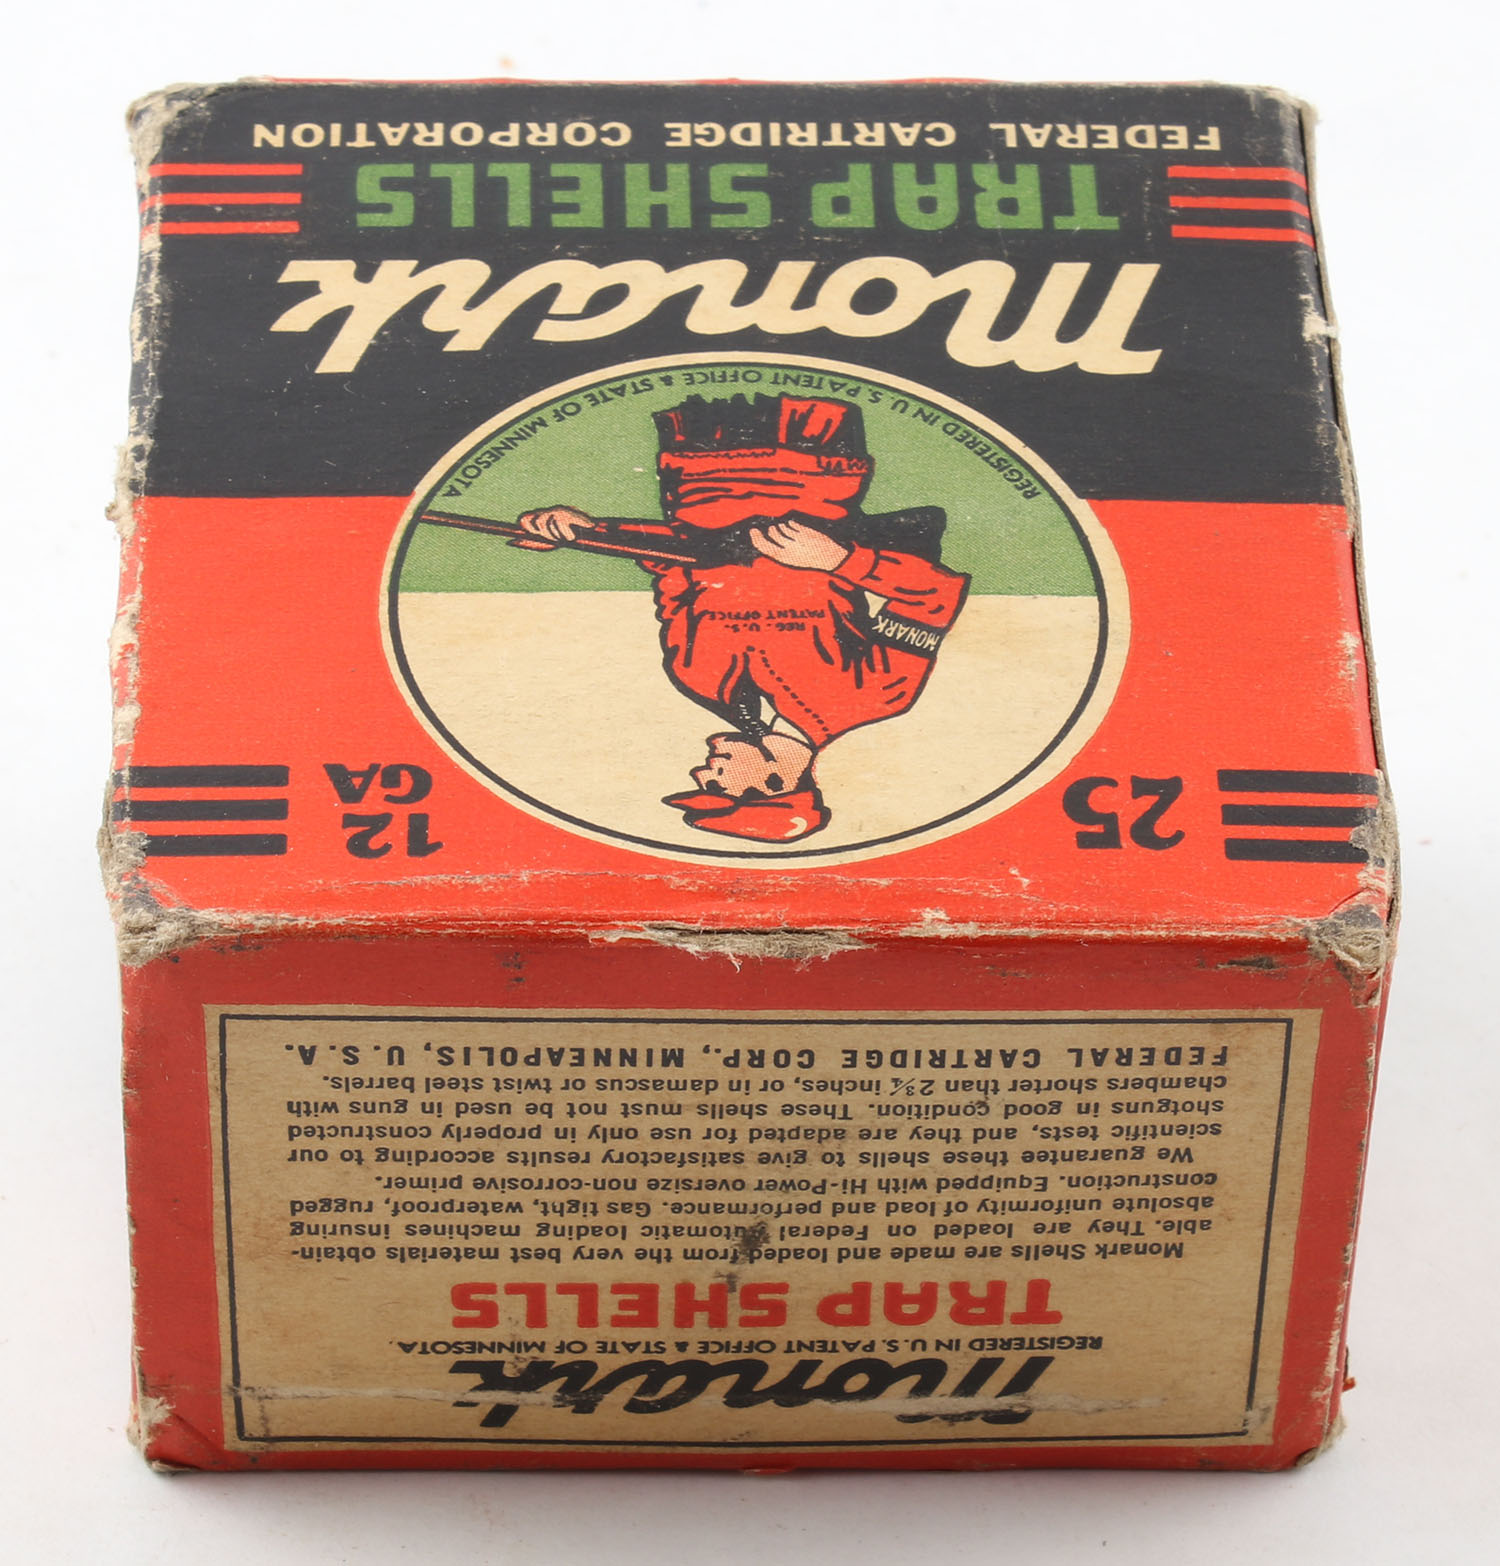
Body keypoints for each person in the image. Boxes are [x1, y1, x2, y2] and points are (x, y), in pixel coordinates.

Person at [518, 394, 970, 842]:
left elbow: (679, 561)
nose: (701, 773)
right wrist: (839, 560)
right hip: (808, 458)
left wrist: (587, 534)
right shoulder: (876, 697)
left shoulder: (694, 679)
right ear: (774, 783)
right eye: (717, 787)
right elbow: (936, 595)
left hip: (693, 466)